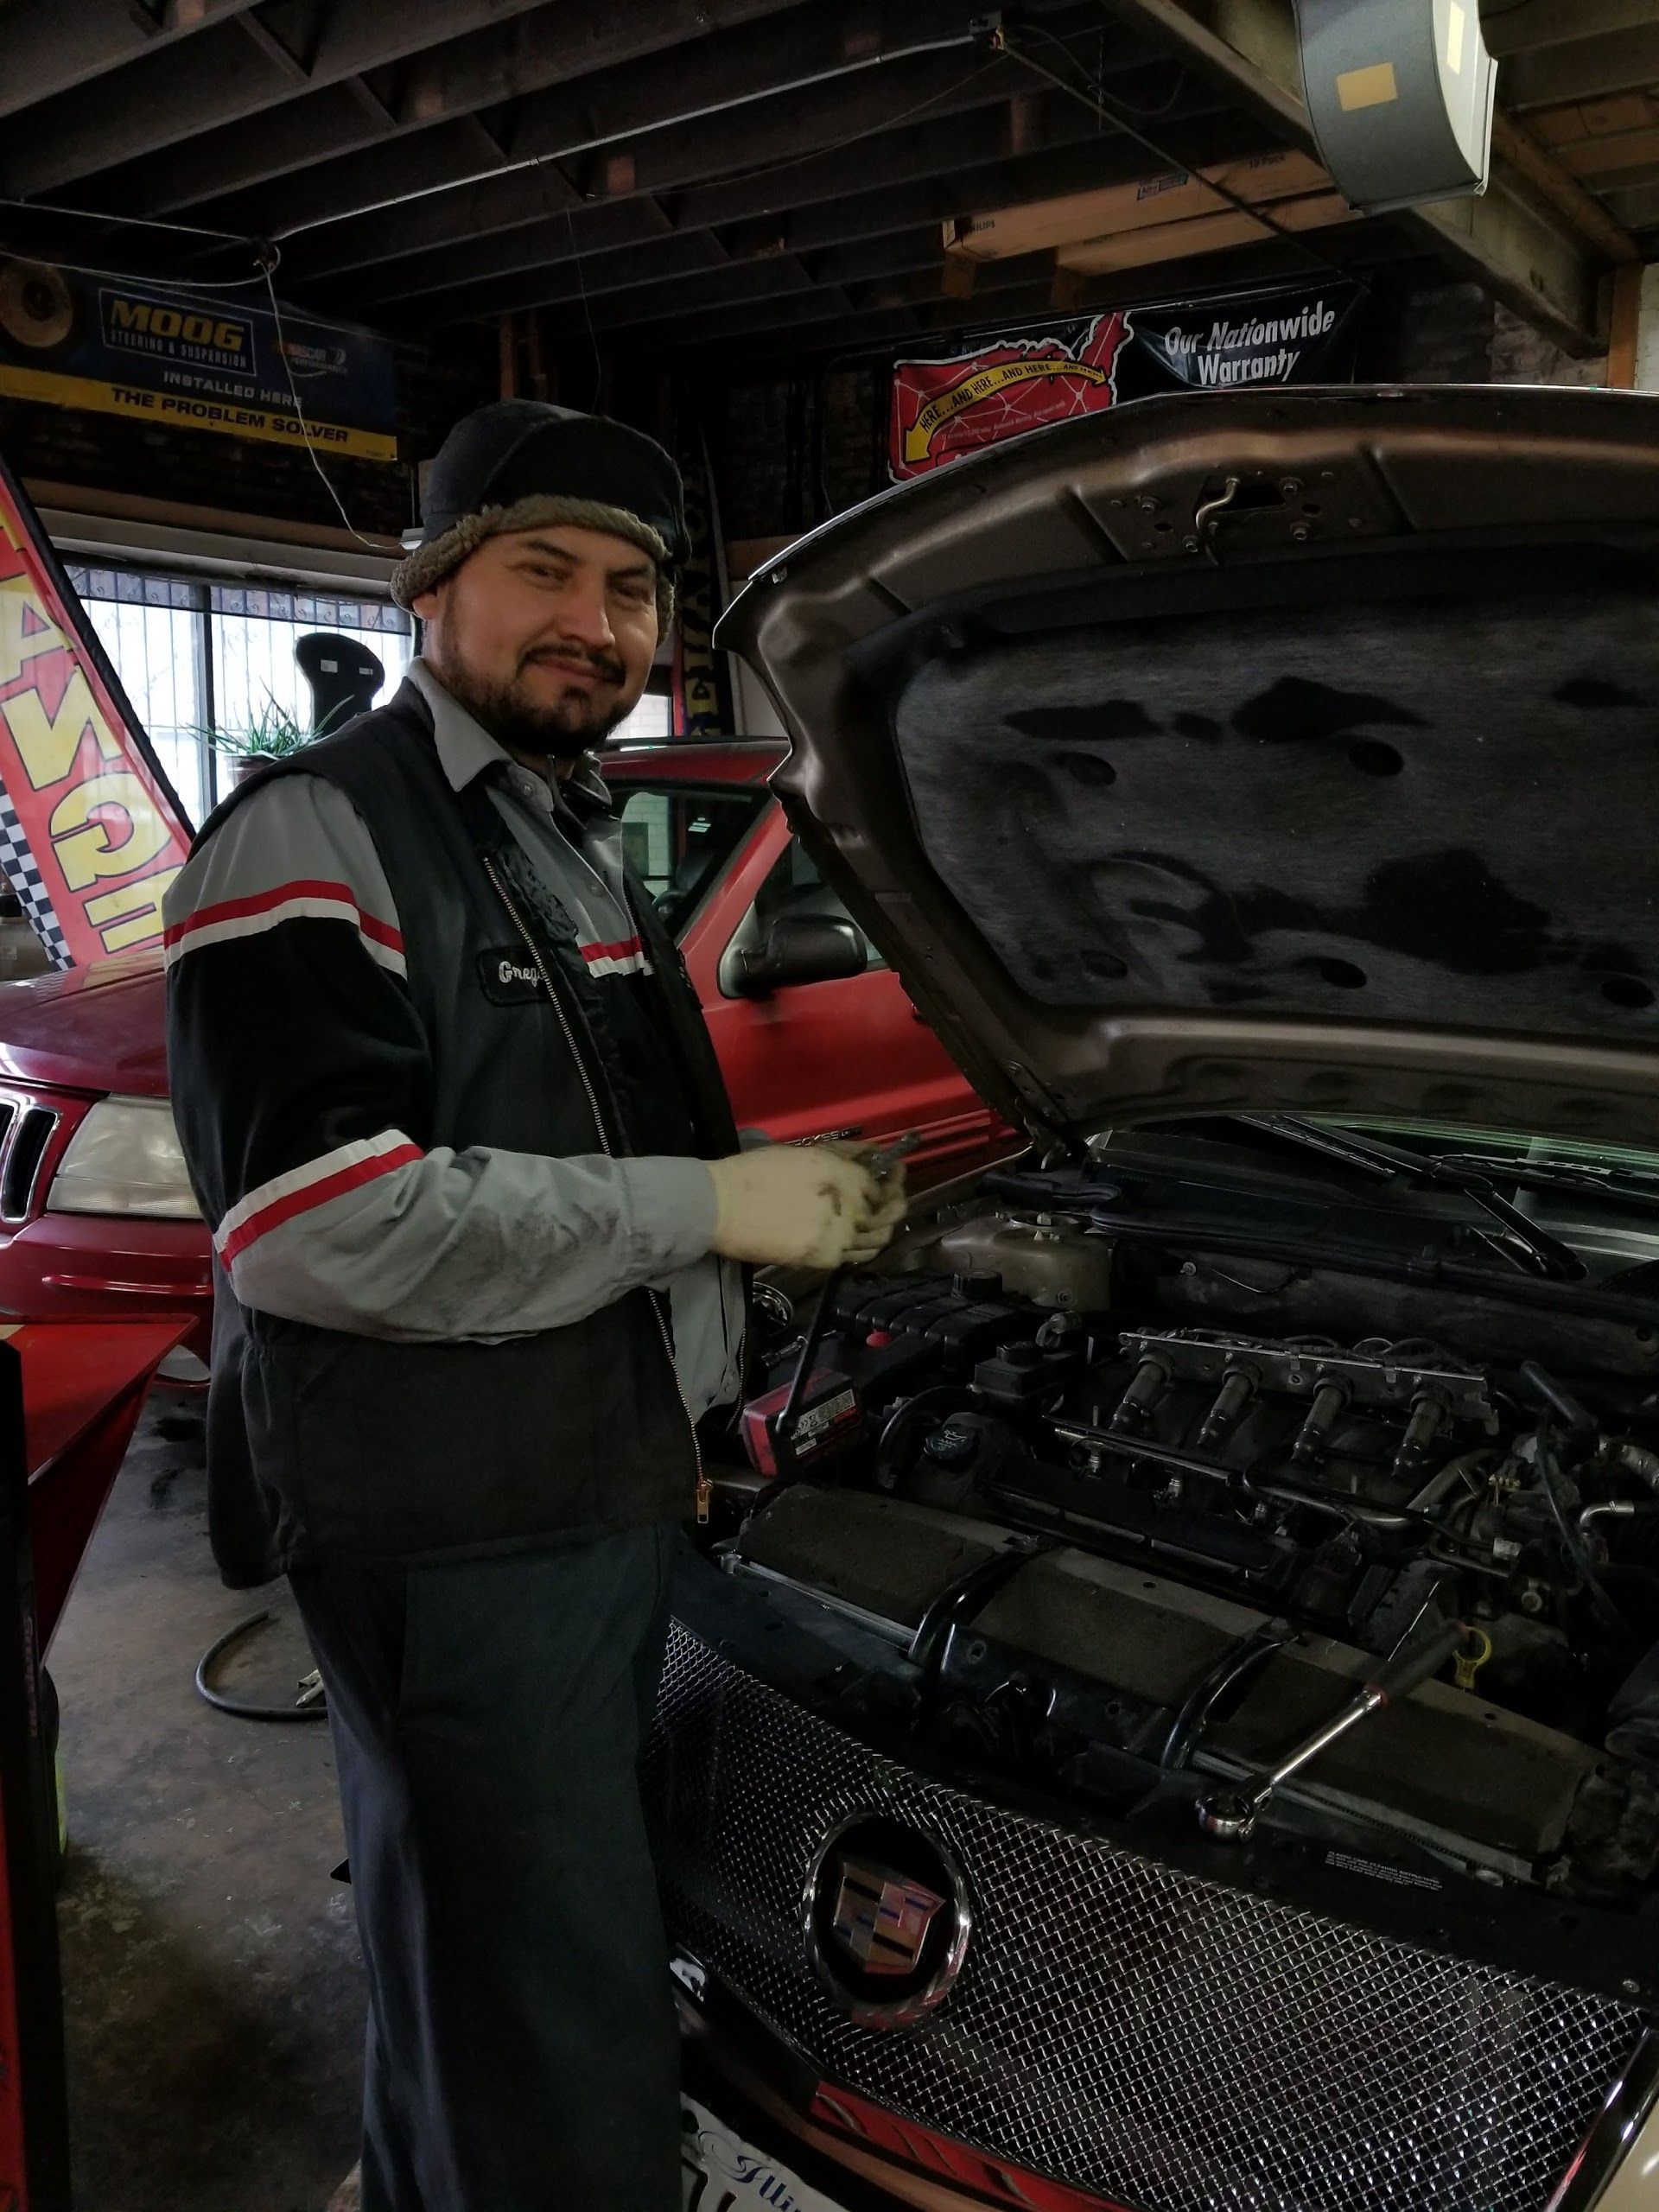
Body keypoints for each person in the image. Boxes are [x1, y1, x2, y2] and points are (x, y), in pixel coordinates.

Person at [164, 400, 906, 2212]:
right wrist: (710, 1206)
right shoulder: (321, 833)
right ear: (432, 590)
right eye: (543, 570)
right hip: (457, 1528)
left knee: (497, 1978)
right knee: (548, 2018)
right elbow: (315, 1226)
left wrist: (722, 1376)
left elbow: (567, 1122)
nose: (596, 619)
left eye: (633, 586)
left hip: (593, 1491)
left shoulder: (564, 826)